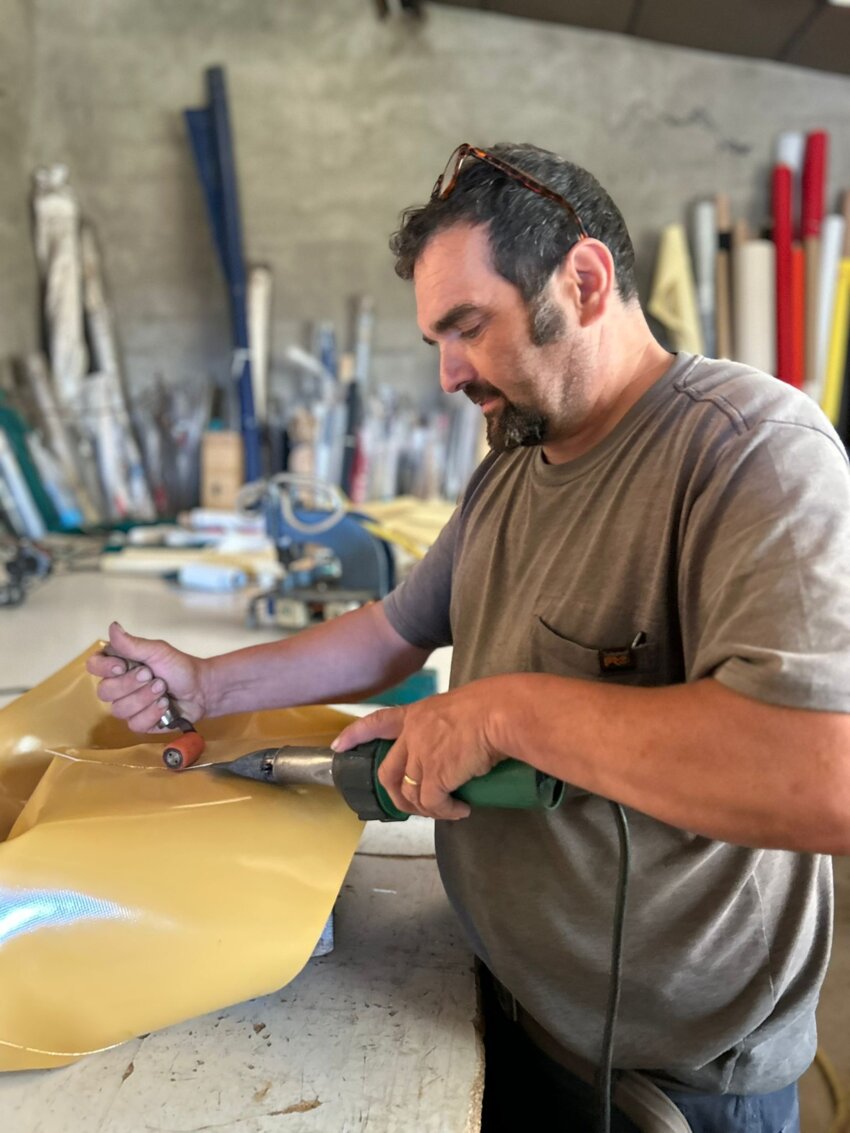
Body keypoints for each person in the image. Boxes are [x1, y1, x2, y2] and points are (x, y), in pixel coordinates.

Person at [87, 142, 850, 1133]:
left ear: (582, 282)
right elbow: (392, 631)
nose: (449, 373)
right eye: (434, 339)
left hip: (669, 1081)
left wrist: (505, 711)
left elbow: (816, 775)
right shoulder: (516, 459)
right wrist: (204, 681)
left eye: (468, 327)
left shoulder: (749, 454)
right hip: (499, 1002)